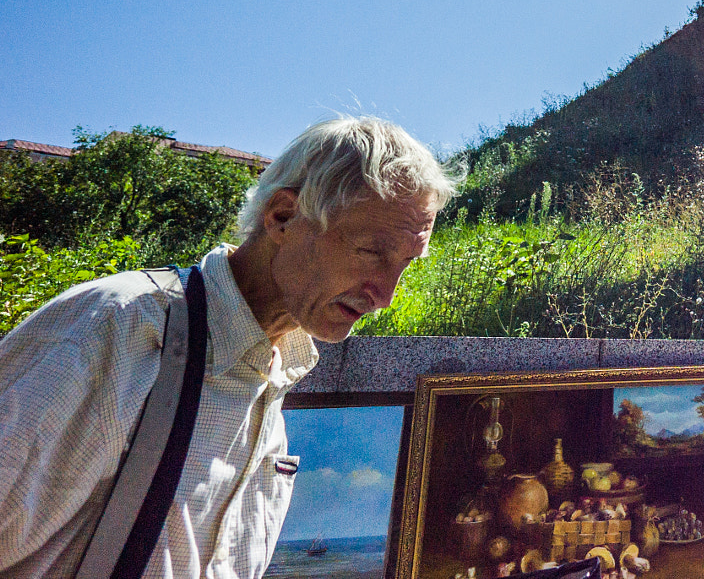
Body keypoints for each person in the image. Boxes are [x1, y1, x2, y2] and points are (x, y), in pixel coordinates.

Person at [0, 114, 456, 579]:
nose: (386, 296)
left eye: (405, 263)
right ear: (283, 217)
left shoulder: (275, 370)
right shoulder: (114, 333)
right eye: (371, 251)